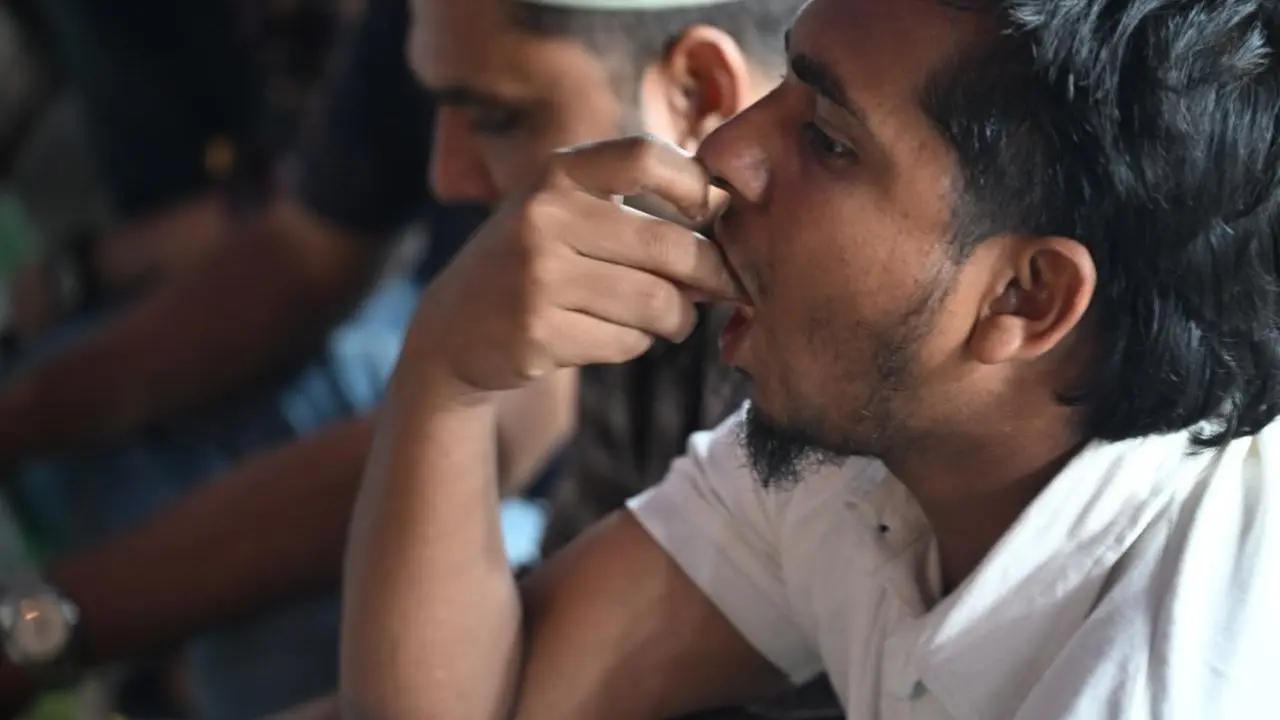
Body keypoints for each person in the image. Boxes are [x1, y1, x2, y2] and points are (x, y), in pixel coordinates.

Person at [342, 0, 1280, 717]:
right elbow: (483, 701)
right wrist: (447, 375)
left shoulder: (1167, 681)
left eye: (828, 140)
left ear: (1023, 299)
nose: (724, 148)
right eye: (785, 84)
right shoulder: (874, 449)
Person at [0, 0, 821, 717]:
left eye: (497, 117)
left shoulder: (808, 404)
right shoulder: (654, 260)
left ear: (695, 95)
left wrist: (443, 374)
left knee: (256, 656)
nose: (446, 177)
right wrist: (441, 371)